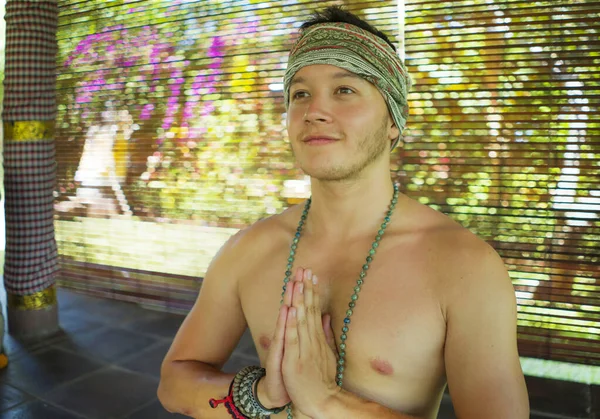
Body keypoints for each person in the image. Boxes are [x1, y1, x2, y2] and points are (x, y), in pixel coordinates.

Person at [158, 6, 529, 419]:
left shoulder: (464, 267)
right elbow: (174, 383)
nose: (314, 111)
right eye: (300, 94)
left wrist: (326, 401)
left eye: (345, 90)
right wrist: (262, 396)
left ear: (393, 119)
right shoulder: (250, 249)